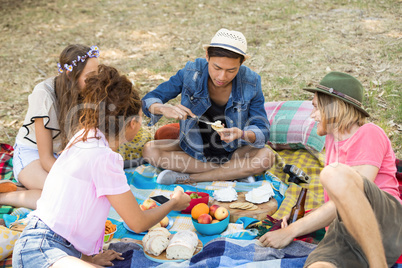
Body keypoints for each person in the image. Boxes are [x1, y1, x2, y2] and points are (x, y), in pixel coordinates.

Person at [12, 65, 191, 267]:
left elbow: (77, 210)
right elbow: (137, 222)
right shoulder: (105, 158)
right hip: (41, 252)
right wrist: (173, 204)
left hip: (49, 247)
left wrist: (88, 258)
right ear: (132, 123)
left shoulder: (85, 135)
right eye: (141, 116)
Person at [259, 72, 402, 267]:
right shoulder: (331, 141)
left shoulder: (369, 133)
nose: (312, 115)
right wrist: (304, 221)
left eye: (316, 107)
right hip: (345, 234)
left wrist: (292, 231)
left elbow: (354, 194)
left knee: (332, 173)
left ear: (334, 107)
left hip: (386, 222)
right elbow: (339, 205)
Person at [142, 28, 274, 184]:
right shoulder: (191, 72)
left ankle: (190, 178)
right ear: (207, 57)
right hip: (195, 150)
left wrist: (242, 134)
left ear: (242, 63)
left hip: (235, 150)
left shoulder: (251, 81)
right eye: (217, 68)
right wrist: (162, 108)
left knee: (267, 157)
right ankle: (234, 172)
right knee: (150, 150)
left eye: (231, 70)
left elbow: (263, 129)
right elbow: (149, 99)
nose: (222, 77)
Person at [0, 44, 100, 209]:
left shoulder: (88, 91)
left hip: (61, 154)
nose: (97, 81)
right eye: (91, 76)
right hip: (33, 153)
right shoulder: (43, 94)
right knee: (65, 195)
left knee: (80, 193)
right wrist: (76, 179)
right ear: (70, 75)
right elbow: (46, 158)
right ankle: (5, 197)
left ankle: (24, 187)